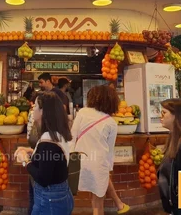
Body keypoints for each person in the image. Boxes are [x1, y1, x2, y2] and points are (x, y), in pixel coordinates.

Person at [70, 85, 129, 215]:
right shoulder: (111, 123)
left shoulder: (83, 112)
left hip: (80, 161)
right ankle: (119, 205)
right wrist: (109, 170)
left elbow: (72, 137)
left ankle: (120, 205)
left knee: (72, 199)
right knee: (98, 204)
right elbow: (109, 152)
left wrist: (69, 157)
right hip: (99, 164)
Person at [15, 92, 74, 215]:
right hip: (61, 194)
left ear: (43, 111)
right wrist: (31, 151)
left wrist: (25, 160)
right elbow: (52, 158)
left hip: (50, 199)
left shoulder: (48, 141)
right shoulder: (57, 134)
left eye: (35, 106)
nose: (32, 108)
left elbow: (43, 178)